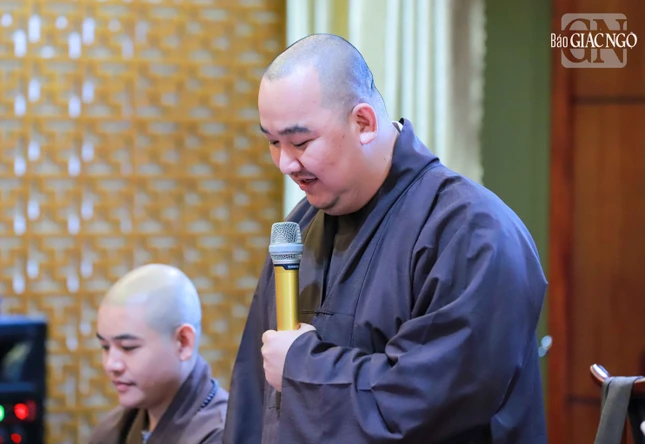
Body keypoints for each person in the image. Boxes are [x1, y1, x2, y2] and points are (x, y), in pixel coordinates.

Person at [223, 33, 548, 444]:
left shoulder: (471, 232)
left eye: (300, 142)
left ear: (363, 123)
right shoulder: (299, 230)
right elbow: (254, 400)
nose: (285, 163)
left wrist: (302, 367)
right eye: (273, 142)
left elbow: (430, 404)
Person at [89, 264, 228, 444]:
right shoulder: (112, 430)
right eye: (105, 347)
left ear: (183, 342)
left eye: (128, 347)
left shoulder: (225, 434)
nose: (111, 364)